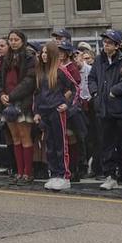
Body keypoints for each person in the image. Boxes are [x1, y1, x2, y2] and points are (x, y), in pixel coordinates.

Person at [93, 30, 122, 189]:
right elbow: (92, 78)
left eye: (109, 42)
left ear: (118, 45)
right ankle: (110, 176)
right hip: (103, 109)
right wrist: (95, 92)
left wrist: (115, 90)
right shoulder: (99, 60)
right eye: (105, 42)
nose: (106, 45)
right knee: (106, 145)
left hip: (120, 110)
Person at [33, 38, 77, 192]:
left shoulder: (60, 70)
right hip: (45, 112)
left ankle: (64, 175)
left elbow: (75, 87)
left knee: (60, 144)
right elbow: (37, 94)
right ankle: (54, 174)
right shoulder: (40, 72)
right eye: (42, 53)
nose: (43, 55)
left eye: (46, 53)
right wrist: (37, 112)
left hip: (57, 111)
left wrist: (67, 104)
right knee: (50, 144)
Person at [0, 31, 37, 182]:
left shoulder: (29, 58)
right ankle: (19, 172)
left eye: (16, 39)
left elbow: (29, 81)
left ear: (22, 40)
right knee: (15, 138)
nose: (13, 42)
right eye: (11, 40)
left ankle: (28, 172)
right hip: (6, 102)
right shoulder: (4, 59)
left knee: (25, 136)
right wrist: (1, 94)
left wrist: (11, 95)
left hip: (22, 102)